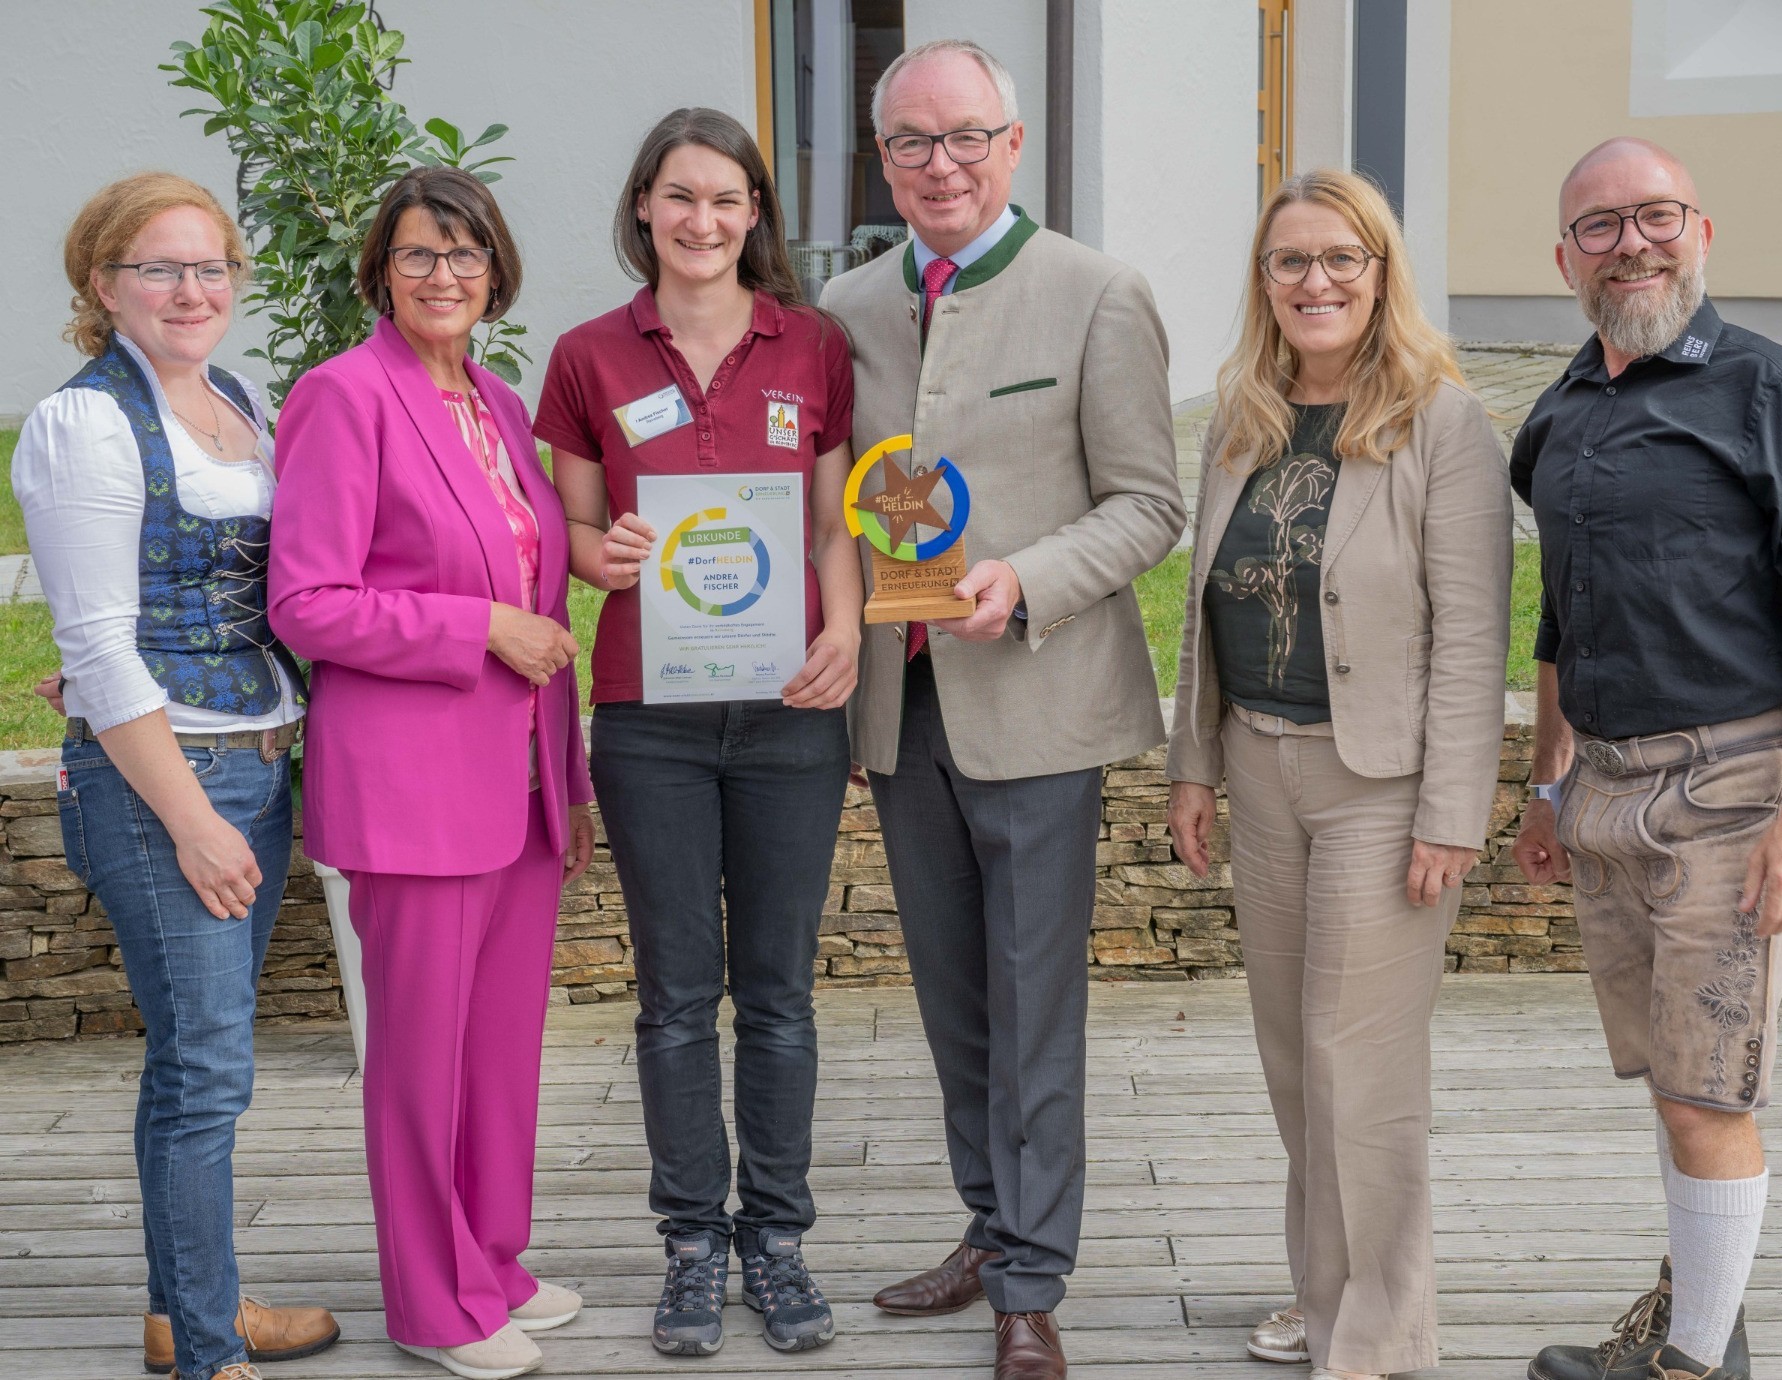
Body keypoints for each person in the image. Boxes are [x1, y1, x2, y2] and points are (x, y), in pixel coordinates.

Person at [819, 39, 1186, 1380]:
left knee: (1034, 1004)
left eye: (966, 135)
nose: (941, 164)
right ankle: (990, 1225)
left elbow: (1150, 503)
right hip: (898, 713)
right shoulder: (848, 308)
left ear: (1014, 145)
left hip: (1036, 704)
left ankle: (1032, 1283)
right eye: (912, 141)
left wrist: (1024, 580)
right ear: (883, 161)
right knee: (954, 999)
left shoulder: (1098, 294)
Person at [1513, 139, 1782, 1380]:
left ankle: (1693, 1367)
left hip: (1733, 784)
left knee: (1707, 1093)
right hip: (1607, 788)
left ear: (1704, 231)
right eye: (1602, 225)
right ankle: (1696, 1325)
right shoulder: (1557, 414)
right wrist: (1545, 780)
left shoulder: (1780, 391)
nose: (1633, 243)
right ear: (1563, 256)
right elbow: (1562, 617)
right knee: (1674, 1080)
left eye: (1657, 216)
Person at [1166, 168, 1512, 1380]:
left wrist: (1453, 811)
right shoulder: (1239, 416)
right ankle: (1328, 1296)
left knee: (1356, 1061)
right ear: (1264, 284)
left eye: (1339, 260)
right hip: (1258, 770)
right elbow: (1202, 611)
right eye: (1290, 262)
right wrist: (1192, 763)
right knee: (1289, 1053)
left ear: (1379, 273)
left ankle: (1375, 1339)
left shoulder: (1441, 421)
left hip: (1381, 784)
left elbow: (1474, 636)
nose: (1314, 282)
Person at [532, 107, 861, 1358]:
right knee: (675, 996)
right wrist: (600, 553)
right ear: (643, 209)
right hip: (650, 725)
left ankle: (775, 1242)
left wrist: (846, 629)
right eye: (681, 198)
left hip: (787, 717)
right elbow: (567, 535)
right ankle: (688, 1243)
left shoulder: (812, 344)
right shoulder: (585, 356)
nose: (703, 222)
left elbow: (832, 525)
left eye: (726, 201)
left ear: (755, 215)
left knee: (777, 994)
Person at [267, 166, 596, 1380]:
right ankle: (430, 1300)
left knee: (498, 1050)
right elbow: (307, 601)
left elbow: (533, 573)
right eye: (417, 256)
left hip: (516, 777)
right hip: (413, 788)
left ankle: (491, 1261)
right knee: (420, 1060)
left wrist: (566, 770)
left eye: (463, 257)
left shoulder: (500, 405)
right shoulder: (344, 398)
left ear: (495, 271)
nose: (443, 277)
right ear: (380, 273)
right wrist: (476, 631)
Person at [12, 173, 339, 1380]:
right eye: (160, 268)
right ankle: (211, 1352)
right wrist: (194, 819)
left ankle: (184, 1309)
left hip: (254, 760)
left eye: (211, 267)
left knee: (197, 1062)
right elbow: (96, 642)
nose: (192, 290)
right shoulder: (84, 422)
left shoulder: (235, 399)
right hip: (172, 789)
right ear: (103, 286)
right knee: (209, 1072)